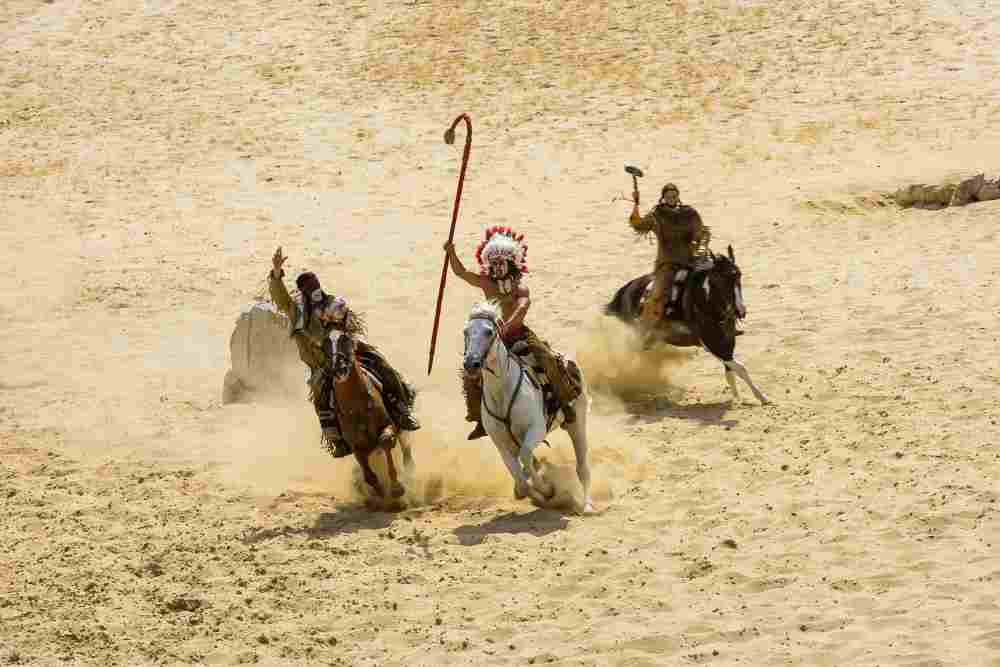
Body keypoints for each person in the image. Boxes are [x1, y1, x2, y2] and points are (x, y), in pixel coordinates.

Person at [268, 247, 419, 458]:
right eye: (310, 289)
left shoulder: (333, 304)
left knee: (381, 364)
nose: (315, 291)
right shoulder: (297, 311)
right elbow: (280, 296)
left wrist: (342, 328)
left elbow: (350, 327)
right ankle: (335, 437)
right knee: (320, 395)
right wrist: (276, 272)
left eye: (316, 286)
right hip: (321, 365)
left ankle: (401, 407)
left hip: (346, 352)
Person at [443, 226, 581, 440]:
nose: (497, 267)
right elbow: (461, 273)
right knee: (470, 375)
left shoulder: (520, 287)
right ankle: (479, 419)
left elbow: (522, 307)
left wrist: (508, 325)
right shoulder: (486, 283)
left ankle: (565, 403)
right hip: (493, 340)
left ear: (510, 263)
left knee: (548, 359)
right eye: (494, 263)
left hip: (519, 335)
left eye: (501, 263)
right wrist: (451, 253)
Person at [628, 182, 711, 325]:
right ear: (663, 198)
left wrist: (702, 247)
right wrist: (636, 203)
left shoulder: (689, 213)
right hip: (667, 264)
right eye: (668, 196)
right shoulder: (657, 215)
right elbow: (638, 224)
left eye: (674, 195)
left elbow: (701, 232)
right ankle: (650, 324)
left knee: (715, 279)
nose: (671, 198)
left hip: (690, 260)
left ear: (678, 196)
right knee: (659, 294)